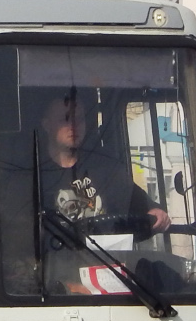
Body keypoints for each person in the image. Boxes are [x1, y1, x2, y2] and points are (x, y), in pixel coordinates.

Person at [38, 90, 169, 234]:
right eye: (65, 119)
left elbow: (142, 205)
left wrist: (156, 212)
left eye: (80, 118)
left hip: (104, 255)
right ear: (47, 125)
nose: (74, 125)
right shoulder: (33, 175)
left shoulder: (105, 169)